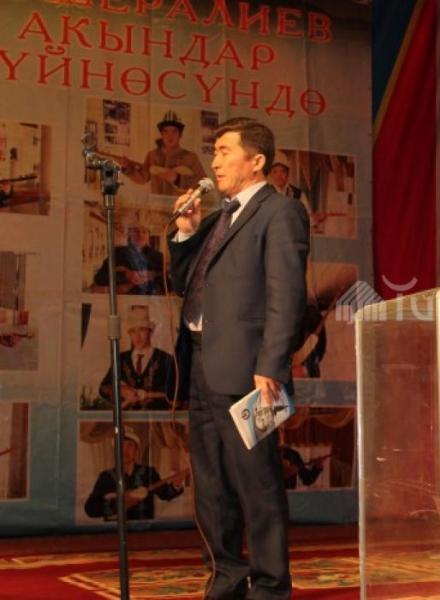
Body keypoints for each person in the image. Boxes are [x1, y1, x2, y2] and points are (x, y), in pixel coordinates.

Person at [168, 117, 308, 599]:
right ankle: (226, 578)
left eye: (225, 151)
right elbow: (184, 283)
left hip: (251, 372)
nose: (215, 161)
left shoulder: (280, 212)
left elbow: (286, 295)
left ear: (257, 160)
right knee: (211, 484)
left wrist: (272, 364)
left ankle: (270, 585)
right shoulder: (217, 218)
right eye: (214, 152)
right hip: (201, 365)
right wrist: (186, 233)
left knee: (258, 482)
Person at [84, 429, 185, 521]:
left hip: (144, 529)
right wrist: (118, 504)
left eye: (130, 446)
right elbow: (90, 509)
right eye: (121, 446)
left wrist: (176, 485)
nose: (125, 451)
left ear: (136, 451)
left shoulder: (148, 472)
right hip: (115, 530)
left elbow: (165, 494)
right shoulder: (106, 477)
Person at [98, 305, 177, 410]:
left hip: (157, 418)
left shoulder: (166, 358)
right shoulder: (121, 358)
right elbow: (103, 388)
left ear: (150, 331)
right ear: (129, 334)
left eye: (142, 330)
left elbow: (177, 392)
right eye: (133, 331)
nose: (137, 336)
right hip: (127, 418)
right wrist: (121, 391)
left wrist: (148, 395)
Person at [122, 111, 206, 195]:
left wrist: (178, 179)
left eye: (174, 131)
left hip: (182, 202)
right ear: (161, 135)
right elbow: (142, 178)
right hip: (156, 202)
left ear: (180, 135)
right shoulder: (153, 155)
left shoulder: (191, 157)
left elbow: (205, 185)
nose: (170, 136)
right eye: (165, 132)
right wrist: (127, 168)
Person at [91, 214, 165, 295]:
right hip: (124, 299)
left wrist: (152, 276)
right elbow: (99, 278)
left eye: (144, 232)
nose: (140, 235)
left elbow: (166, 285)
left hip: (148, 299)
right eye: (136, 231)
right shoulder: (117, 253)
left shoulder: (158, 257)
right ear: (129, 233)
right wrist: (125, 275)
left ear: (148, 235)